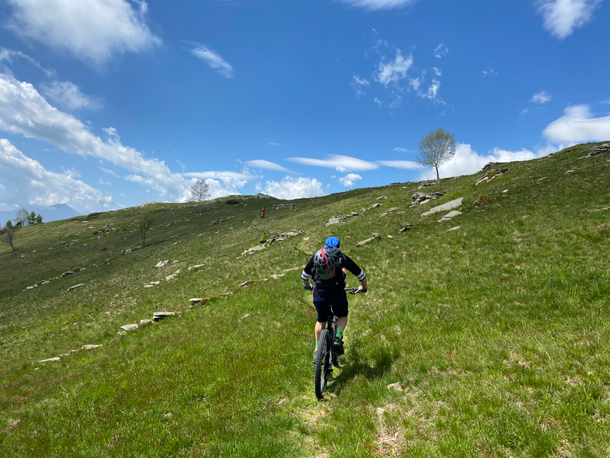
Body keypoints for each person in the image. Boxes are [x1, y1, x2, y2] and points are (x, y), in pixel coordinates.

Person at [301, 236, 367, 359]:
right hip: (337, 294)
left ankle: (317, 349)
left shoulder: (317, 257)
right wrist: (363, 288)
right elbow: (361, 275)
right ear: (338, 246)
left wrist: (308, 286)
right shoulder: (342, 258)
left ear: (325, 245)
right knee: (342, 315)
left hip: (319, 294)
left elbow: (304, 276)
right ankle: (338, 337)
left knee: (321, 320)